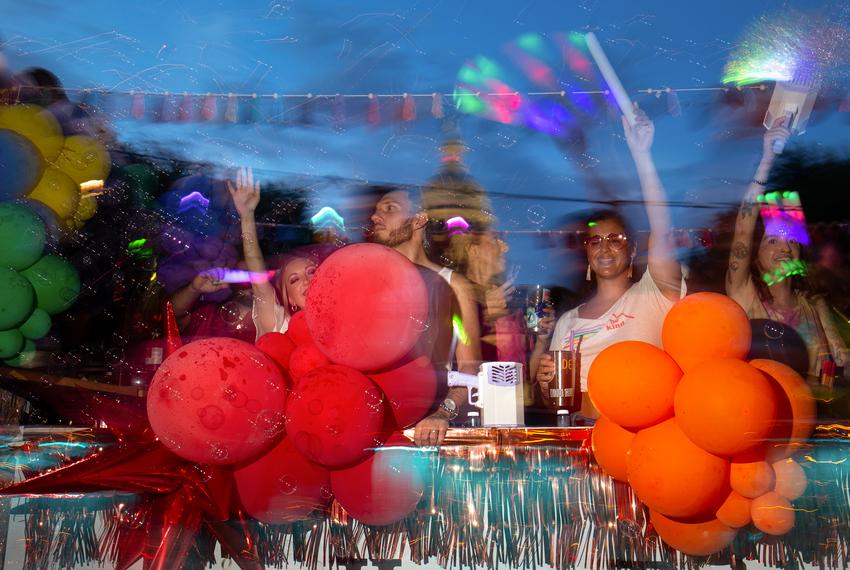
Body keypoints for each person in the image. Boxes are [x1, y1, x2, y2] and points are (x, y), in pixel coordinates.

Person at [533, 104, 685, 422]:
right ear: (587, 253)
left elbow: (661, 227)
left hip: (643, 433)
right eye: (595, 241)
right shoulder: (568, 322)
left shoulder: (652, 293)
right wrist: (547, 383)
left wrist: (642, 154)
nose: (605, 248)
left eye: (616, 239)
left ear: (632, 252)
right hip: (583, 440)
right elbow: (555, 403)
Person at [726, 118, 849, 379]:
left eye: (792, 240)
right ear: (755, 254)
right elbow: (743, 229)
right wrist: (767, 159)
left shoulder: (814, 305)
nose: (784, 248)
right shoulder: (745, 294)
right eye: (772, 241)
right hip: (766, 415)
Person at [369, 185, 482, 446]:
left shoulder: (453, 285)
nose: (376, 217)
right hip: (378, 426)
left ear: (419, 219)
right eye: (376, 211)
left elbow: (470, 366)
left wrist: (443, 412)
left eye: (389, 209)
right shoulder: (370, 284)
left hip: (425, 426)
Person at [229, 167, 317, 338]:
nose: (307, 280)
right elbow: (256, 268)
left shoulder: (343, 322)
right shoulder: (279, 323)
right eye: (294, 280)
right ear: (289, 299)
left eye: (312, 272)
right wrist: (247, 216)